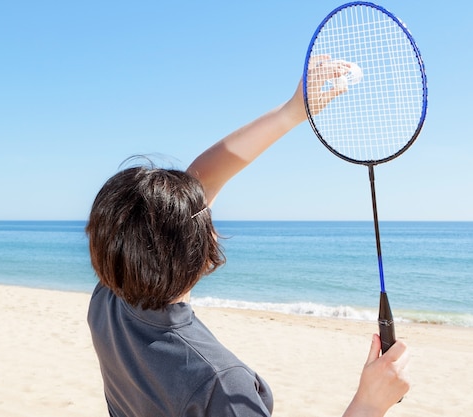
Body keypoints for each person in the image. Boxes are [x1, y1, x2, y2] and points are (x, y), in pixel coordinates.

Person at [86, 56, 410, 417]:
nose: (206, 200)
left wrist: (292, 112)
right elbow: (201, 180)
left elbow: (200, 180)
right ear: (199, 252)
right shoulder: (221, 385)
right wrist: (368, 404)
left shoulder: (109, 303)